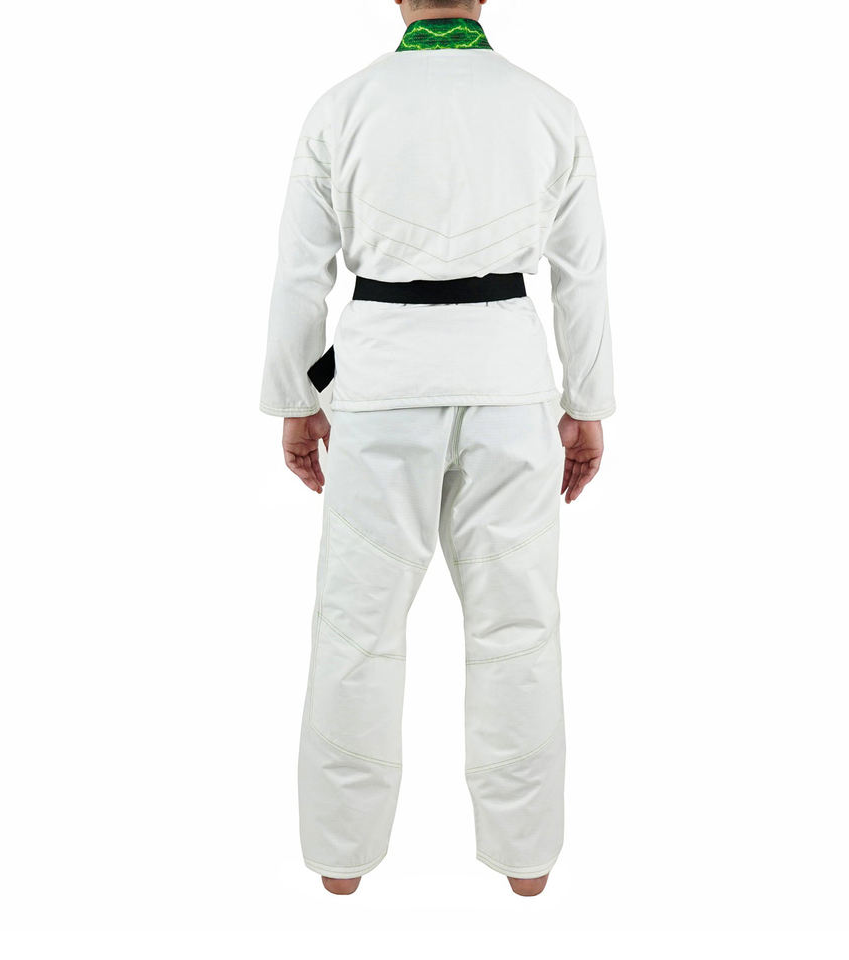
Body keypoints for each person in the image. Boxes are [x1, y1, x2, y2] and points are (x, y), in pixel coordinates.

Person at [259, 0, 615, 897]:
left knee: (357, 625)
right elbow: (581, 272)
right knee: (518, 624)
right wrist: (587, 404)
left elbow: (301, 271)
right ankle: (527, 861)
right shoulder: (547, 108)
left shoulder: (343, 106)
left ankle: (341, 862)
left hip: (381, 385)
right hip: (509, 381)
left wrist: (296, 402)